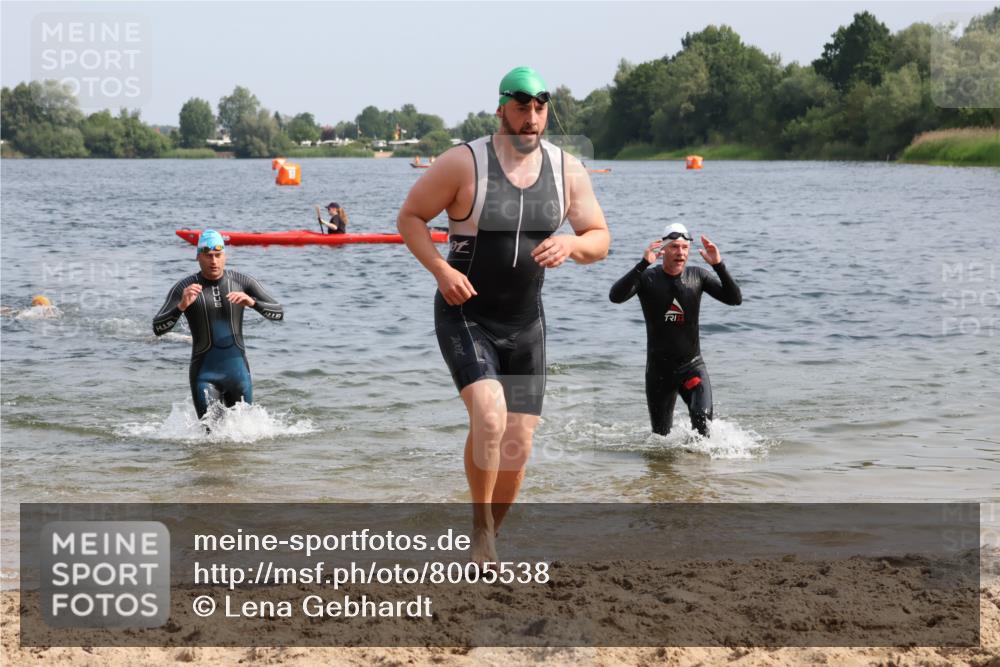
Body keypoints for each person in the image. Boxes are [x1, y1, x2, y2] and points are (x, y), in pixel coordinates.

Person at [397, 66, 610, 564]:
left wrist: (573, 243)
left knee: (519, 445)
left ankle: (490, 535)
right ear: (501, 109)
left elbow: (600, 236)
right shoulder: (462, 163)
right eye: (521, 107)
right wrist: (439, 271)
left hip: (526, 323)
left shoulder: (567, 170)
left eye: (539, 107)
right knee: (489, 416)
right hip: (465, 312)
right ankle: (480, 532)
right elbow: (410, 218)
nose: (531, 117)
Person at [609, 223, 741, 437]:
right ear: (663, 250)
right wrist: (642, 264)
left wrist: (718, 265)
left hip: (692, 367)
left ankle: (699, 470)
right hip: (659, 373)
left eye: (684, 248)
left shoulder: (698, 276)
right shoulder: (648, 278)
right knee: (660, 439)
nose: (680, 252)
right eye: (674, 247)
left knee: (703, 425)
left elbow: (735, 299)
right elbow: (615, 297)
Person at [153, 229, 284, 420]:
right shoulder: (185, 287)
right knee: (210, 438)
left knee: (244, 439)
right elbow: (157, 328)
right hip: (205, 377)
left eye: (218, 255)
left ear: (225, 256)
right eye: (208, 256)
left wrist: (253, 303)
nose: (213, 261)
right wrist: (181, 306)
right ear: (198, 257)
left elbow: (278, 313)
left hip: (239, 375)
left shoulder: (241, 281)